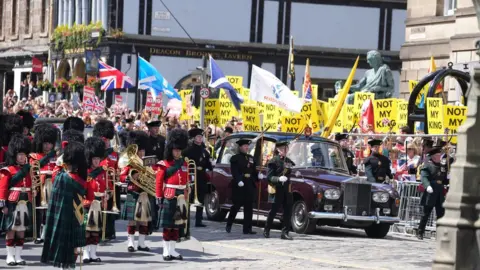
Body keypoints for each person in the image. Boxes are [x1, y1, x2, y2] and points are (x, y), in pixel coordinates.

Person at [41, 141, 88, 269]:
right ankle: (67, 267)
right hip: (75, 214)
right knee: (72, 245)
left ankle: (66, 267)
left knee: (69, 245)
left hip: (67, 214)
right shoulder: (77, 177)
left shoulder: (63, 176)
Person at [155, 128, 190, 261]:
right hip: (169, 194)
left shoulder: (184, 162)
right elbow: (159, 182)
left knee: (177, 225)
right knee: (168, 225)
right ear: (171, 149)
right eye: (175, 150)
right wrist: (159, 196)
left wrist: (187, 188)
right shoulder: (163, 164)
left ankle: (173, 250)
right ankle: (165, 251)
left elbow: (185, 178)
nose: (178, 152)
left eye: (179, 150)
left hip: (181, 195)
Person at [0, 134, 33, 266]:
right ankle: (10, 256)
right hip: (12, 202)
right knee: (11, 230)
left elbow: (29, 184)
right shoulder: (8, 170)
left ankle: (18, 256)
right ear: (14, 155)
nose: (22, 157)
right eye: (19, 154)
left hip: (25, 202)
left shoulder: (28, 169)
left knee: (21, 230)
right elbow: (2, 188)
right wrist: (2, 205)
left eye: (24, 154)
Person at [120, 130, 152, 252]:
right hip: (133, 192)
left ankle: (142, 243)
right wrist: (131, 177)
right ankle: (131, 242)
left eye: (143, 150)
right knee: (132, 220)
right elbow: (122, 176)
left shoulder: (148, 163)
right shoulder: (130, 163)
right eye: (140, 150)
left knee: (144, 220)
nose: (142, 153)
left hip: (144, 193)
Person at [29, 123, 58, 244]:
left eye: (50, 143)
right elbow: (34, 169)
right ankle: (38, 233)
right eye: (45, 143)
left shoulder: (56, 156)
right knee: (40, 210)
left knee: (51, 210)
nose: (48, 146)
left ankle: (48, 232)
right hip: (40, 185)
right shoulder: (34, 156)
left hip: (52, 184)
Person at [82, 137, 107, 263]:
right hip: (87, 202)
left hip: (98, 202)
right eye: (94, 159)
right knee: (87, 229)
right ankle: (86, 253)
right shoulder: (85, 172)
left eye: (98, 159)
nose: (97, 161)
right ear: (90, 159)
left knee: (96, 229)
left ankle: (93, 253)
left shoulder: (103, 172)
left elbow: (106, 187)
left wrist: (106, 195)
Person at [225, 139, 258, 234]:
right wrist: (239, 180)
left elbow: (253, 171)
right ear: (240, 147)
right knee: (236, 206)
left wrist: (257, 176)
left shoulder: (251, 158)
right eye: (244, 146)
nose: (246, 147)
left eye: (247, 146)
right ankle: (229, 223)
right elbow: (235, 171)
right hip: (240, 185)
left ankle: (247, 228)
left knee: (249, 208)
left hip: (249, 184)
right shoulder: (235, 158)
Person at [93, 119, 119, 240]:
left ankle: (109, 231)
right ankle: (98, 231)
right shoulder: (97, 153)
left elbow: (117, 167)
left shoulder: (114, 153)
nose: (107, 142)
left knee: (109, 209)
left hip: (111, 184)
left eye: (108, 140)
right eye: (105, 140)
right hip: (100, 183)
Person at [417, 145, 449, 240]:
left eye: (440, 155)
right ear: (433, 156)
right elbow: (424, 177)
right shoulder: (427, 166)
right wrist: (427, 186)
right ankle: (420, 232)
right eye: (438, 155)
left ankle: (439, 235)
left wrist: (449, 178)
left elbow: (444, 180)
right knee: (425, 214)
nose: (440, 157)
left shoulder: (443, 167)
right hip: (430, 192)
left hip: (439, 193)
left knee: (440, 214)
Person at [264, 141, 294, 240]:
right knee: (273, 211)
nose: (285, 150)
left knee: (288, 211)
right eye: (282, 149)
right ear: (278, 150)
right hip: (277, 189)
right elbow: (269, 177)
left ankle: (285, 233)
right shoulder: (273, 161)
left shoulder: (289, 161)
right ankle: (267, 229)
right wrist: (278, 179)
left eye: (286, 148)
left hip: (287, 189)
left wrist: (296, 173)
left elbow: (290, 172)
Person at [183, 128, 213, 228]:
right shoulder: (188, 150)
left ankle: (198, 220)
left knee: (200, 199)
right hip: (191, 176)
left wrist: (211, 163)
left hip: (201, 177)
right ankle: (185, 218)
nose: (200, 139)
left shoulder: (205, 151)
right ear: (194, 138)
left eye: (201, 137)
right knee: (189, 199)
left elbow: (208, 165)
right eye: (198, 137)